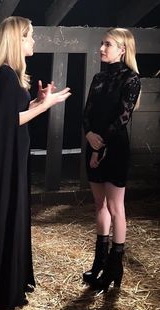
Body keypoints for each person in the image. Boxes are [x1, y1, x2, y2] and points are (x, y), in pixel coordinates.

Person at [0, 16, 71, 310]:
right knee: (6, 212)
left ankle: (7, 278)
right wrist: (45, 105)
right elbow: (7, 121)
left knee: (12, 212)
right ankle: (1, 286)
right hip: (7, 159)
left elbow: (12, 113)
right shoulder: (4, 75)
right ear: (17, 40)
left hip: (12, 155)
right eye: (29, 36)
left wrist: (35, 103)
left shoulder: (9, 75)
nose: (33, 41)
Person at [82, 28, 141, 292]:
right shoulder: (97, 77)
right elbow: (86, 112)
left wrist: (99, 144)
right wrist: (89, 135)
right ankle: (100, 261)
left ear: (123, 49)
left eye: (108, 44)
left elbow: (123, 117)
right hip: (93, 142)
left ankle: (115, 265)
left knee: (116, 207)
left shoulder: (131, 79)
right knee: (99, 203)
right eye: (102, 44)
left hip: (114, 147)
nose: (102, 48)